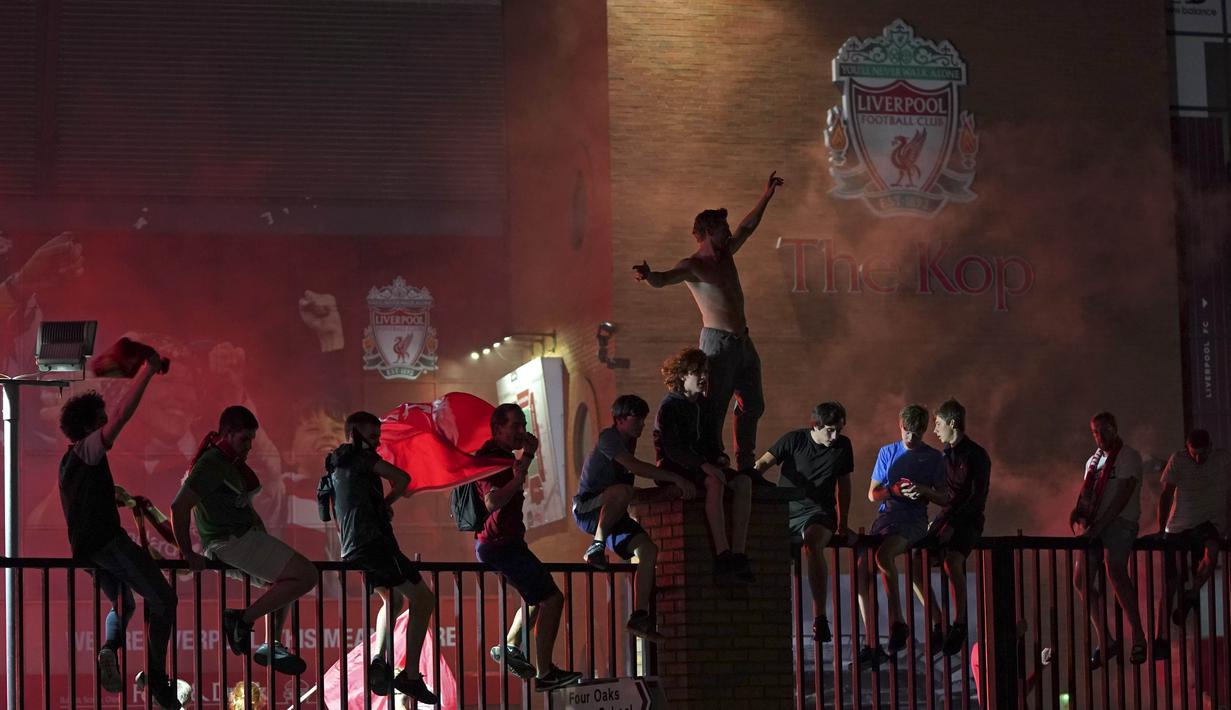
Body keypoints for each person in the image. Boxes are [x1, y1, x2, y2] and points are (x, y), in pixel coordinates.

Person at [57, 350, 187, 709]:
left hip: (86, 550)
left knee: (124, 603)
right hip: (108, 543)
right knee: (163, 599)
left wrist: (115, 497)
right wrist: (147, 371)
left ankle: (109, 648)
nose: (105, 423)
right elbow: (120, 416)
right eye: (99, 420)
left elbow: (83, 500)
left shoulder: (70, 462)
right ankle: (157, 677)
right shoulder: (88, 450)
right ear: (89, 427)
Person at [633, 171, 784, 471]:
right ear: (708, 231)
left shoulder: (726, 254)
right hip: (718, 343)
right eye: (723, 229)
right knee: (714, 406)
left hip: (743, 341)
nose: (728, 233)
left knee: (753, 404)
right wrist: (648, 275)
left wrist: (766, 196)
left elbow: (747, 228)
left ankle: (745, 466)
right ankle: (714, 459)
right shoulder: (694, 266)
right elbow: (663, 279)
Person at [171, 406, 316, 675]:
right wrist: (187, 553)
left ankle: (271, 644)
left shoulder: (228, 463)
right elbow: (178, 507)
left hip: (237, 540)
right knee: (306, 575)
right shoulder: (212, 463)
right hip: (231, 542)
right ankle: (241, 620)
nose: (249, 445)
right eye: (244, 439)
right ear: (227, 434)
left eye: (251, 439)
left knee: (282, 582)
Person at [325, 411, 438, 703]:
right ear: (355, 434)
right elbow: (402, 479)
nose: (377, 442)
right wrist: (387, 502)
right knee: (424, 599)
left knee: (394, 599)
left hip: (352, 548)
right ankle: (410, 676)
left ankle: (379, 659)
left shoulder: (335, 464)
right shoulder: (363, 459)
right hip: (375, 544)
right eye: (373, 436)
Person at [474, 404, 582, 692]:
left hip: (506, 541)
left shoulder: (505, 457)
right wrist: (519, 476)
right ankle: (545, 672)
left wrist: (528, 456)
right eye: (516, 426)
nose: (522, 431)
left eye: (524, 425)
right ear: (498, 429)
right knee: (553, 599)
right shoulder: (491, 459)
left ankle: (509, 646)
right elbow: (493, 501)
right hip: (499, 543)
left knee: (535, 595)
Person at [574, 394, 696, 640]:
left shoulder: (628, 442)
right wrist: (676, 478)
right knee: (624, 491)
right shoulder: (609, 438)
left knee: (648, 550)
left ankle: (639, 616)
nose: (641, 424)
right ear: (619, 419)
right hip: (588, 510)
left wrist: (668, 490)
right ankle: (596, 546)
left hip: (611, 513)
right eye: (636, 419)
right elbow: (635, 467)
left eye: (643, 419)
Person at [753, 401, 853, 644]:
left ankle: (820, 617)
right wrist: (750, 490)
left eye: (839, 430)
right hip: (785, 512)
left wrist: (843, 522)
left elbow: (844, 486)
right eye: (830, 430)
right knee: (766, 551)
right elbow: (761, 465)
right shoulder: (794, 440)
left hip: (819, 513)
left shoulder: (843, 446)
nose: (835, 436)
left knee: (813, 544)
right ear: (815, 425)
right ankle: (764, 615)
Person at [854, 404, 947, 666]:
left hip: (913, 520)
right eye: (907, 431)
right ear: (900, 425)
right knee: (862, 569)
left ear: (924, 430)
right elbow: (872, 494)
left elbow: (943, 497)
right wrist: (893, 490)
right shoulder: (888, 452)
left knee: (884, 556)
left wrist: (923, 491)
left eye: (916, 434)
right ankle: (871, 641)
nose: (910, 438)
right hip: (886, 518)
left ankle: (898, 621)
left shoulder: (934, 458)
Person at [652, 349, 752, 584]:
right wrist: (705, 465)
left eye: (706, 372)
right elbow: (673, 449)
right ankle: (722, 553)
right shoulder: (669, 407)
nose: (704, 377)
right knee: (714, 482)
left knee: (744, 482)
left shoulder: (705, 406)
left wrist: (719, 458)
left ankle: (738, 553)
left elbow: (712, 442)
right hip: (675, 467)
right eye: (698, 372)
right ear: (682, 375)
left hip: (702, 465)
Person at [1068, 411, 1147, 667]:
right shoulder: (1093, 462)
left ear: (1114, 428)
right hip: (1095, 526)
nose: (1100, 436)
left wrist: (1098, 527)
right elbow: (1088, 495)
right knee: (1081, 580)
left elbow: (1122, 496)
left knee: (1115, 569)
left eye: (1104, 430)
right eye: (1095, 432)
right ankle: (1106, 638)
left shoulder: (1128, 456)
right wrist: (1079, 513)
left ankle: (1138, 635)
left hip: (1120, 523)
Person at [1151, 428, 1230, 660]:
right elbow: (1166, 494)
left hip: (1207, 523)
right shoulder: (1179, 460)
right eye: (1193, 453)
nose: (1197, 459)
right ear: (1187, 448)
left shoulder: (1222, 460)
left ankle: (1192, 593)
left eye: (1202, 454)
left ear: (1210, 447)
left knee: (1211, 554)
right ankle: (1161, 637)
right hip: (1178, 527)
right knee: (1171, 582)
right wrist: (1161, 529)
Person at [927, 398, 991, 657]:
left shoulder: (976, 455)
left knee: (952, 561)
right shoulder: (946, 455)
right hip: (947, 518)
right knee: (916, 559)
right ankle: (938, 622)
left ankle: (960, 623)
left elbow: (976, 498)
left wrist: (951, 523)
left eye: (938, 424)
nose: (935, 430)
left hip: (968, 520)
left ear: (952, 423)